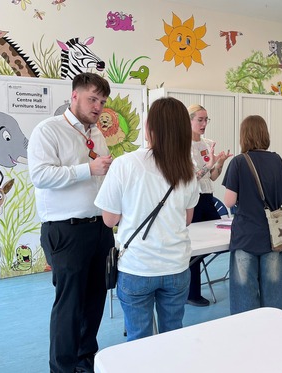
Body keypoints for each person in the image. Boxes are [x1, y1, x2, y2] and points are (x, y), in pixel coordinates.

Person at [27, 72, 115, 373]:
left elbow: (99, 179)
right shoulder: (48, 130)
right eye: (93, 99)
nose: (98, 107)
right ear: (74, 95)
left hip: (100, 228)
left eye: (102, 102)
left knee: (95, 302)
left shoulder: (97, 134)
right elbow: (39, 176)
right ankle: (62, 368)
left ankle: (84, 362)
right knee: (70, 305)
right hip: (66, 231)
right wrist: (87, 169)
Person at [94, 97, 199, 340]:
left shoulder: (125, 164)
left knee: (139, 341)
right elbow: (186, 219)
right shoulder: (189, 170)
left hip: (137, 266)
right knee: (172, 335)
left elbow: (109, 220)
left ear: (150, 127)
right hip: (177, 266)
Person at [222, 115, 282, 314]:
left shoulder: (238, 162)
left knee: (245, 290)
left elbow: (229, 201)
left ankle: (248, 335)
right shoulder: (277, 160)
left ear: (244, 135)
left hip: (246, 235)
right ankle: (272, 331)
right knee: (273, 290)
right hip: (273, 235)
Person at [186, 104, 233, 307]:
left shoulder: (207, 143)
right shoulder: (183, 145)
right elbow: (191, 178)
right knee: (195, 247)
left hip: (208, 198)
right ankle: (191, 292)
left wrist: (220, 163)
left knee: (220, 238)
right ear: (190, 120)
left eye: (206, 120)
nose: (204, 124)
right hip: (192, 200)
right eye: (200, 120)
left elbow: (212, 177)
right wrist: (209, 164)